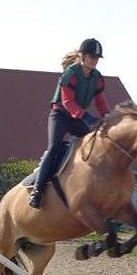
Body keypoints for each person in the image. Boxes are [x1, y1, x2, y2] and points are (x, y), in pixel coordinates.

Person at [28, 38, 110, 209]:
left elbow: (101, 103)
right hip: (60, 115)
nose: (94, 60)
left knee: (91, 146)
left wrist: (108, 118)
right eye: (91, 56)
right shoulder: (70, 74)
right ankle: (37, 190)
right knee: (54, 147)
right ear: (82, 56)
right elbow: (67, 102)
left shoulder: (98, 78)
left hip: (77, 117)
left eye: (97, 58)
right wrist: (87, 117)